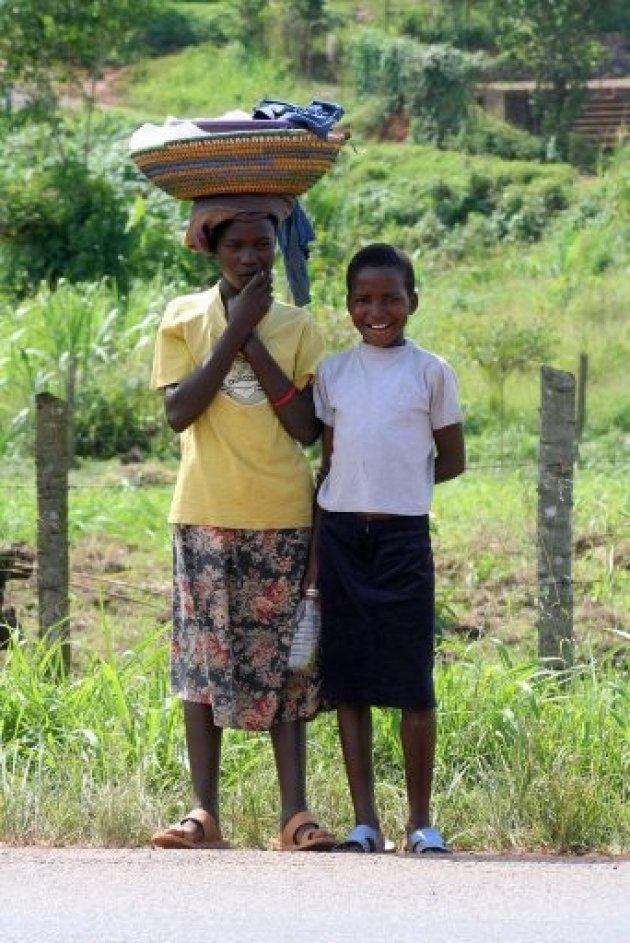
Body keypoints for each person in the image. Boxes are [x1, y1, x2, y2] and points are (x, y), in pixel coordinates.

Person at [149, 194, 336, 852]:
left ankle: (295, 815)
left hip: (281, 514)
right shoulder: (182, 318)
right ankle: (203, 812)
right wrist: (234, 328)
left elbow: (306, 429)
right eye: (237, 247)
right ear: (212, 249)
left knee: (284, 666)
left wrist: (254, 334)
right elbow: (180, 413)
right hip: (203, 510)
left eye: (263, 245)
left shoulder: (300, 327)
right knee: (203, 662)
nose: (252, 257)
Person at [309, 242, 465, 855]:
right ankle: (364, 822)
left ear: (413, 301)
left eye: (390, 298)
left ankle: (420, 822)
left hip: (403, 538)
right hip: (342, 535)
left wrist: (400, 488)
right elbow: (328, 463)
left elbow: (450, 459)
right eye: (364, 299)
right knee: (349, 682)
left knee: (412, 681)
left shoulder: (431, 371)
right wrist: (319, 554)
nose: (377, 310)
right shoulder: (334, 373)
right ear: (348, 306)